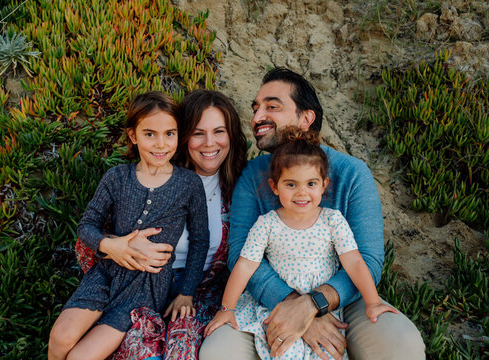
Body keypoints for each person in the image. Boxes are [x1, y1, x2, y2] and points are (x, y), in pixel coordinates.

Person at [199, 68, 425, 360]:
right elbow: (241, 257)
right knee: (219, 354)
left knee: (400, 346)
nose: (256, 118)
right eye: (256, 109)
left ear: (306, 118)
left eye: (272, 106)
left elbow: (366, 260)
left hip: (343, 298)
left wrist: (313, 306)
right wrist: (293, 307)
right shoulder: (253, 177)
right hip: (266, 300)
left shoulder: (352, 174)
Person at [73, 90, 248, 359]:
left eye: (219, 131)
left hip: (200, 295)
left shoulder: (243, 189)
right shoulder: (153, 177)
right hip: (137, 285)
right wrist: (117, 248)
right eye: (198, 133)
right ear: (182, 135)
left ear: (231, 135)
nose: (209, 143)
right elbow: (91, 235)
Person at [204, 128, 398, 359]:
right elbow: (245, 266)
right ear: (275, 187)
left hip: (325, 308)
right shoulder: (267, 224)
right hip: (276, 306)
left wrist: (373, 301)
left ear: (324, 185)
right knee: (284, 349)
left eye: (311, 184)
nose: (302, 193)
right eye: (291, 184)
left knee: (326, 353)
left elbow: (354, 261)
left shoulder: (332, 220)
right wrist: (227, 309)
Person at [48, 92, 210, 360]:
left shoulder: (189, 184)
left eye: (169, 134)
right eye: (150, 134)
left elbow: (200, 241)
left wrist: (186, 292)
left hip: (144, 288)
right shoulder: (117, 177)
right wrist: (110, 245)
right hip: (106, 274)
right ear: (133, 136)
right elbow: (87, 224)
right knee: (60, 338)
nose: (161, 144)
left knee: (81, 357)